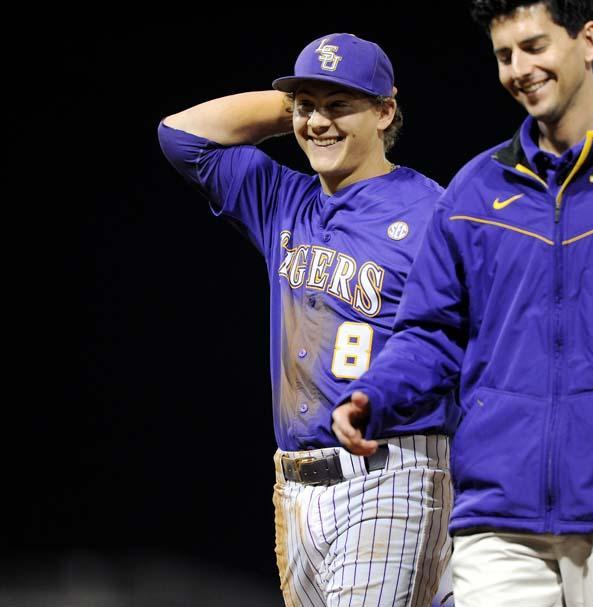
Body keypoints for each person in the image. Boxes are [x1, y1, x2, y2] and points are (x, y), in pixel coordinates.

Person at [335, 2, 593, 606]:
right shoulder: (474, 191)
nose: (519, 68)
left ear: (588, 40)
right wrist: (376, 395)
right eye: (504, 55)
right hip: (499, 511)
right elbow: (430, 331)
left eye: (535, 46)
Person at [158, 33, 459, 607]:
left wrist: (320, 104)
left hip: (392, 473)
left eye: (339, 104)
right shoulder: (283, 199)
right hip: (296, 487)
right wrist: (299, 108)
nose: (319, 122)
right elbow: (180, 135)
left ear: (386, 110)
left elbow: (462, 342)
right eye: (306, 106)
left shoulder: (430, 212)